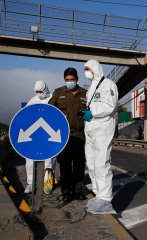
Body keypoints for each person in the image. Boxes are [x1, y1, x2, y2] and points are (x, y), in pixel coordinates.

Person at [81, 59, 118, 214]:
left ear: (95, 69)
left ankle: (105, 199)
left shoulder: (108, 84)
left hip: (102, 128)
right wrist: (86, 115)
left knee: (102, 163)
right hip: (91, 128)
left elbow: (110, 106)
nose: (86, 72)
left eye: (88, 68)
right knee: (92, 162)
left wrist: (93, 114)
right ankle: (98, 194)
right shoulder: (91, 88)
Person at [48, 68, 88, 202]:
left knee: (79, 165)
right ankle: (66, 192)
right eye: (67, 80)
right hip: (63, 136)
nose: (70, 82)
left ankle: (77, 191)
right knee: (64, 166)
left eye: (72, 80)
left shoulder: (86, 93)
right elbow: (50, 110)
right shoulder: (58, 92)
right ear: (64, 79)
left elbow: (91, 113)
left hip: (80, 135)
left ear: (77, 79)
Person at [24, 81, 56, 194]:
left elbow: (58, 115)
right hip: (35, 135)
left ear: (45, 89)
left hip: (50, 135)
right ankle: (31, 183)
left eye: (40, 91)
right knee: (30, 158)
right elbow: (26, 114)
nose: (39, 94)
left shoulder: (53, 98)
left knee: (49, 160)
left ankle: (48, 183)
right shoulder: (33, 101)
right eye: (36, 91)